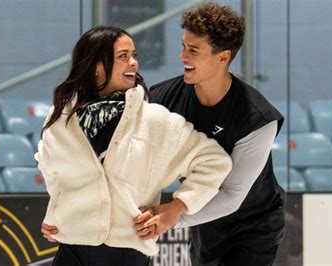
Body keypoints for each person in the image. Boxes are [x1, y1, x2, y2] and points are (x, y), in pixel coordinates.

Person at [36, 25, 232, 266]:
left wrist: (176, 208)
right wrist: (58, 213)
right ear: (95, 64)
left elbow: (214, 162)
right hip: (71, 251)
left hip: (127, 255)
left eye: (134, 55)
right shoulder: (60, 118)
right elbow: (51, 169)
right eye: (123, 56)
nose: (133, 63)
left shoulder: (155, 120)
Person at [134, 3, 286, 266]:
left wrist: (174, 212)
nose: (182, 56)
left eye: (193, 50)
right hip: (203, 218)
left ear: (223, 57)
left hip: (253, 222)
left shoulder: (257, 118)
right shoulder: (161, 99)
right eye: (183, 46)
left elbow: (231, 196)